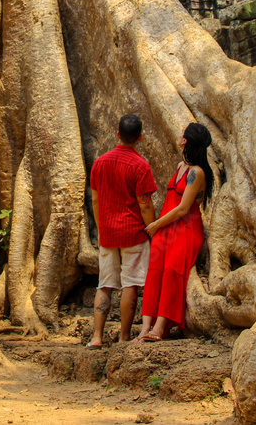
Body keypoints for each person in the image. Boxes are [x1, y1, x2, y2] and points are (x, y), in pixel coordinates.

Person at [135, 122, 213, 342]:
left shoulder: (197, 173)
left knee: (172, 272)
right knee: (155, 271)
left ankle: (160, 328)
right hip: (166, 228)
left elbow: (183, 208)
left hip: (185, 229)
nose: (179, 135)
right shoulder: (181, 167)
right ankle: (144, 328)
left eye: (182, 133)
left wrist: (156, 224)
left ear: (186, 141)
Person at [87, 114, 158, 348]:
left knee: (104, 284)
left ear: (118, 134)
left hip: (108, 233)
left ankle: (97, 336)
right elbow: (145, 204)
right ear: (140, 138)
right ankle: (124, 336)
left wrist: (100, 228)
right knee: (131, 284)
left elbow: (95, 201)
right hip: (134, 233)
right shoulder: (140, 166)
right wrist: (152, 229)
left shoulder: (100, 163)